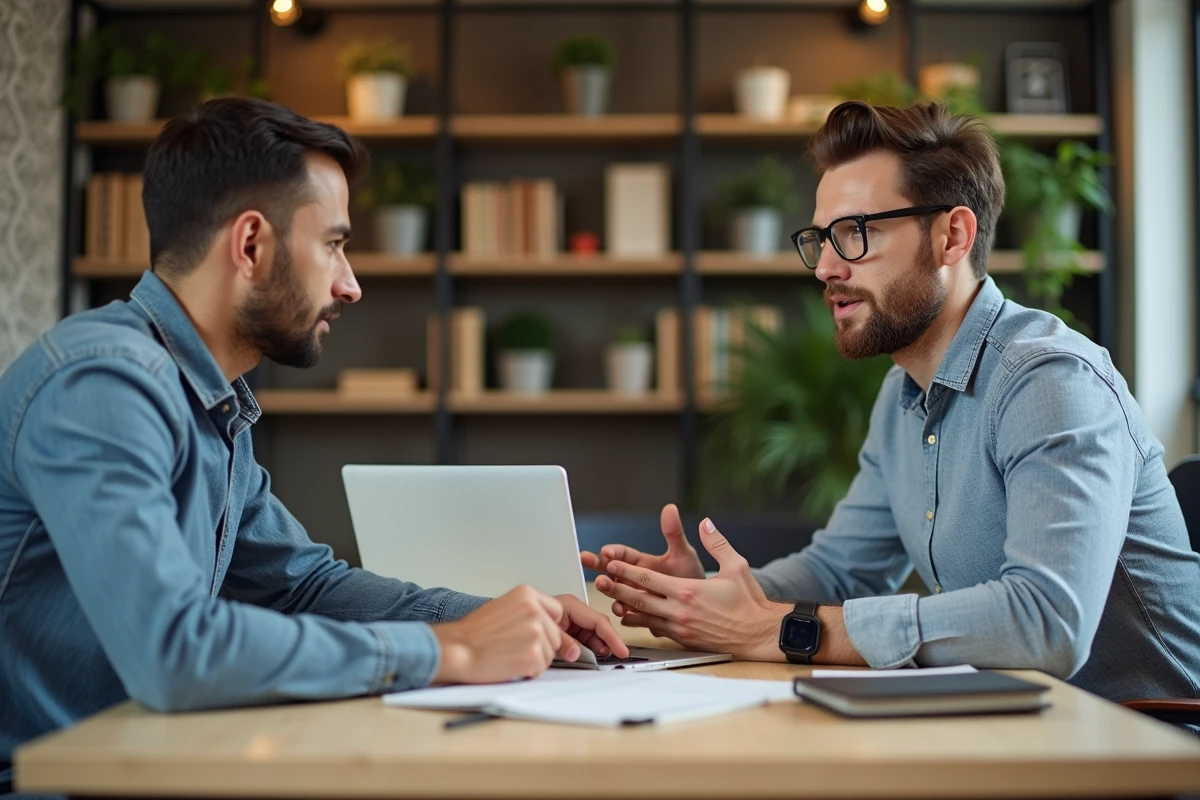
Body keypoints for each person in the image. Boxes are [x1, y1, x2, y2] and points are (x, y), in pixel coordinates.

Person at [0, 97, 627, 793]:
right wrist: (445, 649)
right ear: (250, 245)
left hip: (143, 767)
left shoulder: (211, 400)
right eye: (333, 244)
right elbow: (172, 652)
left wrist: (496, 616)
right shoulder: (104, 385)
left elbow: (303, 585)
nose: (350, 284)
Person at [582, 100, 1200, 704]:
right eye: (820, 238)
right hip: (1020, 726)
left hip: (1152, 736)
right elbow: (842, 570)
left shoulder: (1051, 382)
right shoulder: (903, 391)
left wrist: (782, 631)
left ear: (952, 235)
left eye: (855, 233)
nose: (824, 267)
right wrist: (714, 597)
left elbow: (1046, 623)